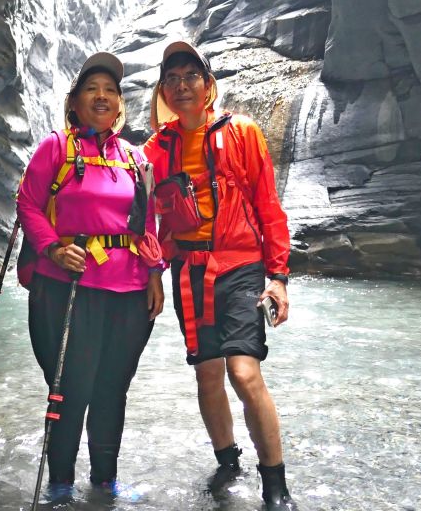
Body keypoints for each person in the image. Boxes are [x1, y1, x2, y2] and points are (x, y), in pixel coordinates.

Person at [142, 41, 295, 510]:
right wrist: (151, 271)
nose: (182, 85)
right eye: (173, 78)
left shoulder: (243, 132)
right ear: (163, 91)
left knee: (243, 372)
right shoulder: (157, 148)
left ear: (208, 86)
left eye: (191, 76)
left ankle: (275, 484)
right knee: (207, 375)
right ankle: (228, 462)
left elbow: (268, 204)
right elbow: (143, 216)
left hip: (241, 266)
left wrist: (279, 275)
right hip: (187, 269)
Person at [17, 51, 165, 503]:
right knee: (71, 389)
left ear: (120, 104)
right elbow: (27, 203)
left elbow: (146, 223)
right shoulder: (55, 149)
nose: (102, 96)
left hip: (129, 290)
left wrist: (156, 274)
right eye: (91, 89)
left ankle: (104, 482)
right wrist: (55, 249)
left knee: (112, 388)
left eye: (111, 90)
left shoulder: (136, 160)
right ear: (75, 102)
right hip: (68, 288)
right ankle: (60, 484)